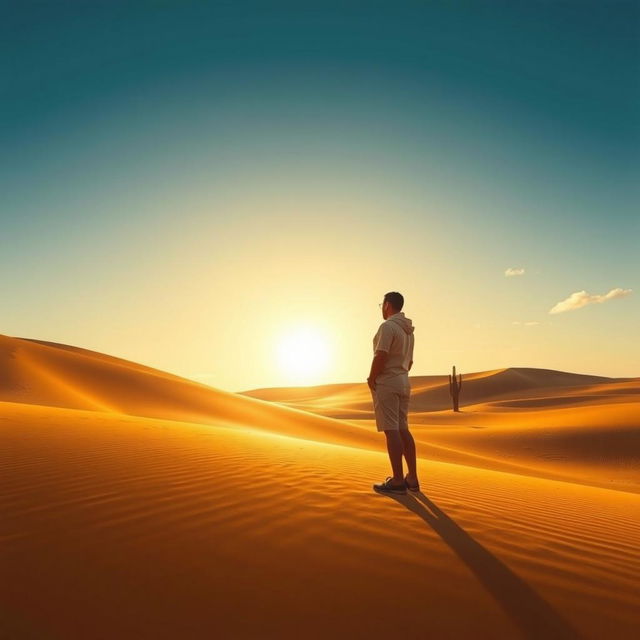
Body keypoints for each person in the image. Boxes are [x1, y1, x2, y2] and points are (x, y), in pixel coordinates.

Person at [367, 291, 418, 495]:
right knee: (403, 428)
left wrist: (372, 378)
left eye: (382, 304)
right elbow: (410, 362)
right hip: (404, 381)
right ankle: (412, 478)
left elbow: (381, 354)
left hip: (388, 381)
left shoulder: (387, 327)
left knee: (392, 430)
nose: (381, 308)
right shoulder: (408, 331)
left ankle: (398, 480)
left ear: (387, 305)